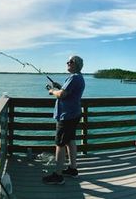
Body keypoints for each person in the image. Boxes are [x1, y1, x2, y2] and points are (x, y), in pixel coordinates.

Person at [42, 55, 85, 185]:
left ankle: (58, 176)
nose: (67, 63)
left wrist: (52, 91)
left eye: (70, 61)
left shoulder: (74, 77)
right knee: (70, 141)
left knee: (59, 144)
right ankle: (73, 169)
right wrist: (59, 86)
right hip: (74, 114)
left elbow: (62, 94)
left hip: (66, 116)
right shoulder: (79, 77)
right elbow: (68, 91)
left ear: (76, 64)